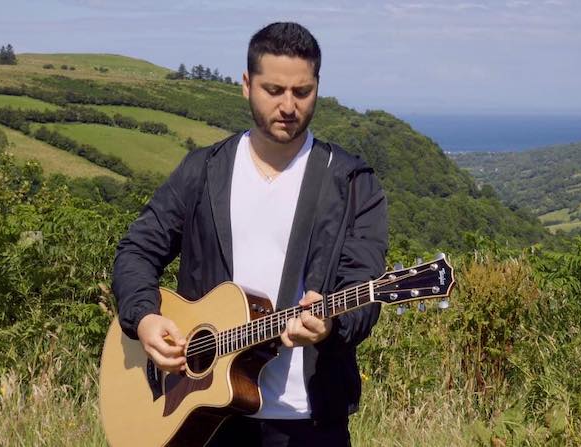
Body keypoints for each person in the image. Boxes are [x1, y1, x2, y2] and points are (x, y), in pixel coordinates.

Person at [112, 22, 388, 446]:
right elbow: (136, 251)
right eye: (273, 90)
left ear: (318, 86)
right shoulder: (203, 171)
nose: (288, 106)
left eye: (302, 91)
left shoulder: (351, 182)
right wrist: (145, 319)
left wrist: (332, 326)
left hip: (308, 419)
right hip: (203, 412)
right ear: (246, 85)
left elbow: (363, 290)